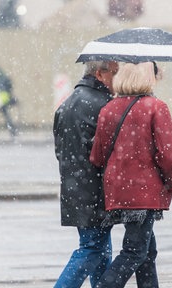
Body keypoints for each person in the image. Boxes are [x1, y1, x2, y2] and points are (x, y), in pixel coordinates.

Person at [90, 61, 172, 288]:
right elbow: (168, 155)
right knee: (134, 252)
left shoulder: (108, 109)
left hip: (118, 191)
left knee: (147, 252)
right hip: (144, 193)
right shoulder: (155, 107)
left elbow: (98, 157)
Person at [53, 60, 119, 288]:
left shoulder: (68, 103)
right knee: (92, 250)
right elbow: (107, 153)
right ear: (100, 74)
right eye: (114, 73)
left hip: (75, 188)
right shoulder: (103, 105)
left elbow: (60, 151)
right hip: (95, 191)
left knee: (100, 249)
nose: (117, 79)